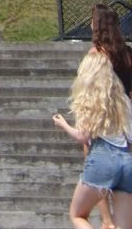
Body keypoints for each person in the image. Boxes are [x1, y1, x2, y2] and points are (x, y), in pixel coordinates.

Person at [53, 47, 132, 229]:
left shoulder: (90, 99)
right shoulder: (123, 100)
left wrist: (64, 124)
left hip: (103, 157)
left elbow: (83, 136)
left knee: (78, 214)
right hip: (127, 160)